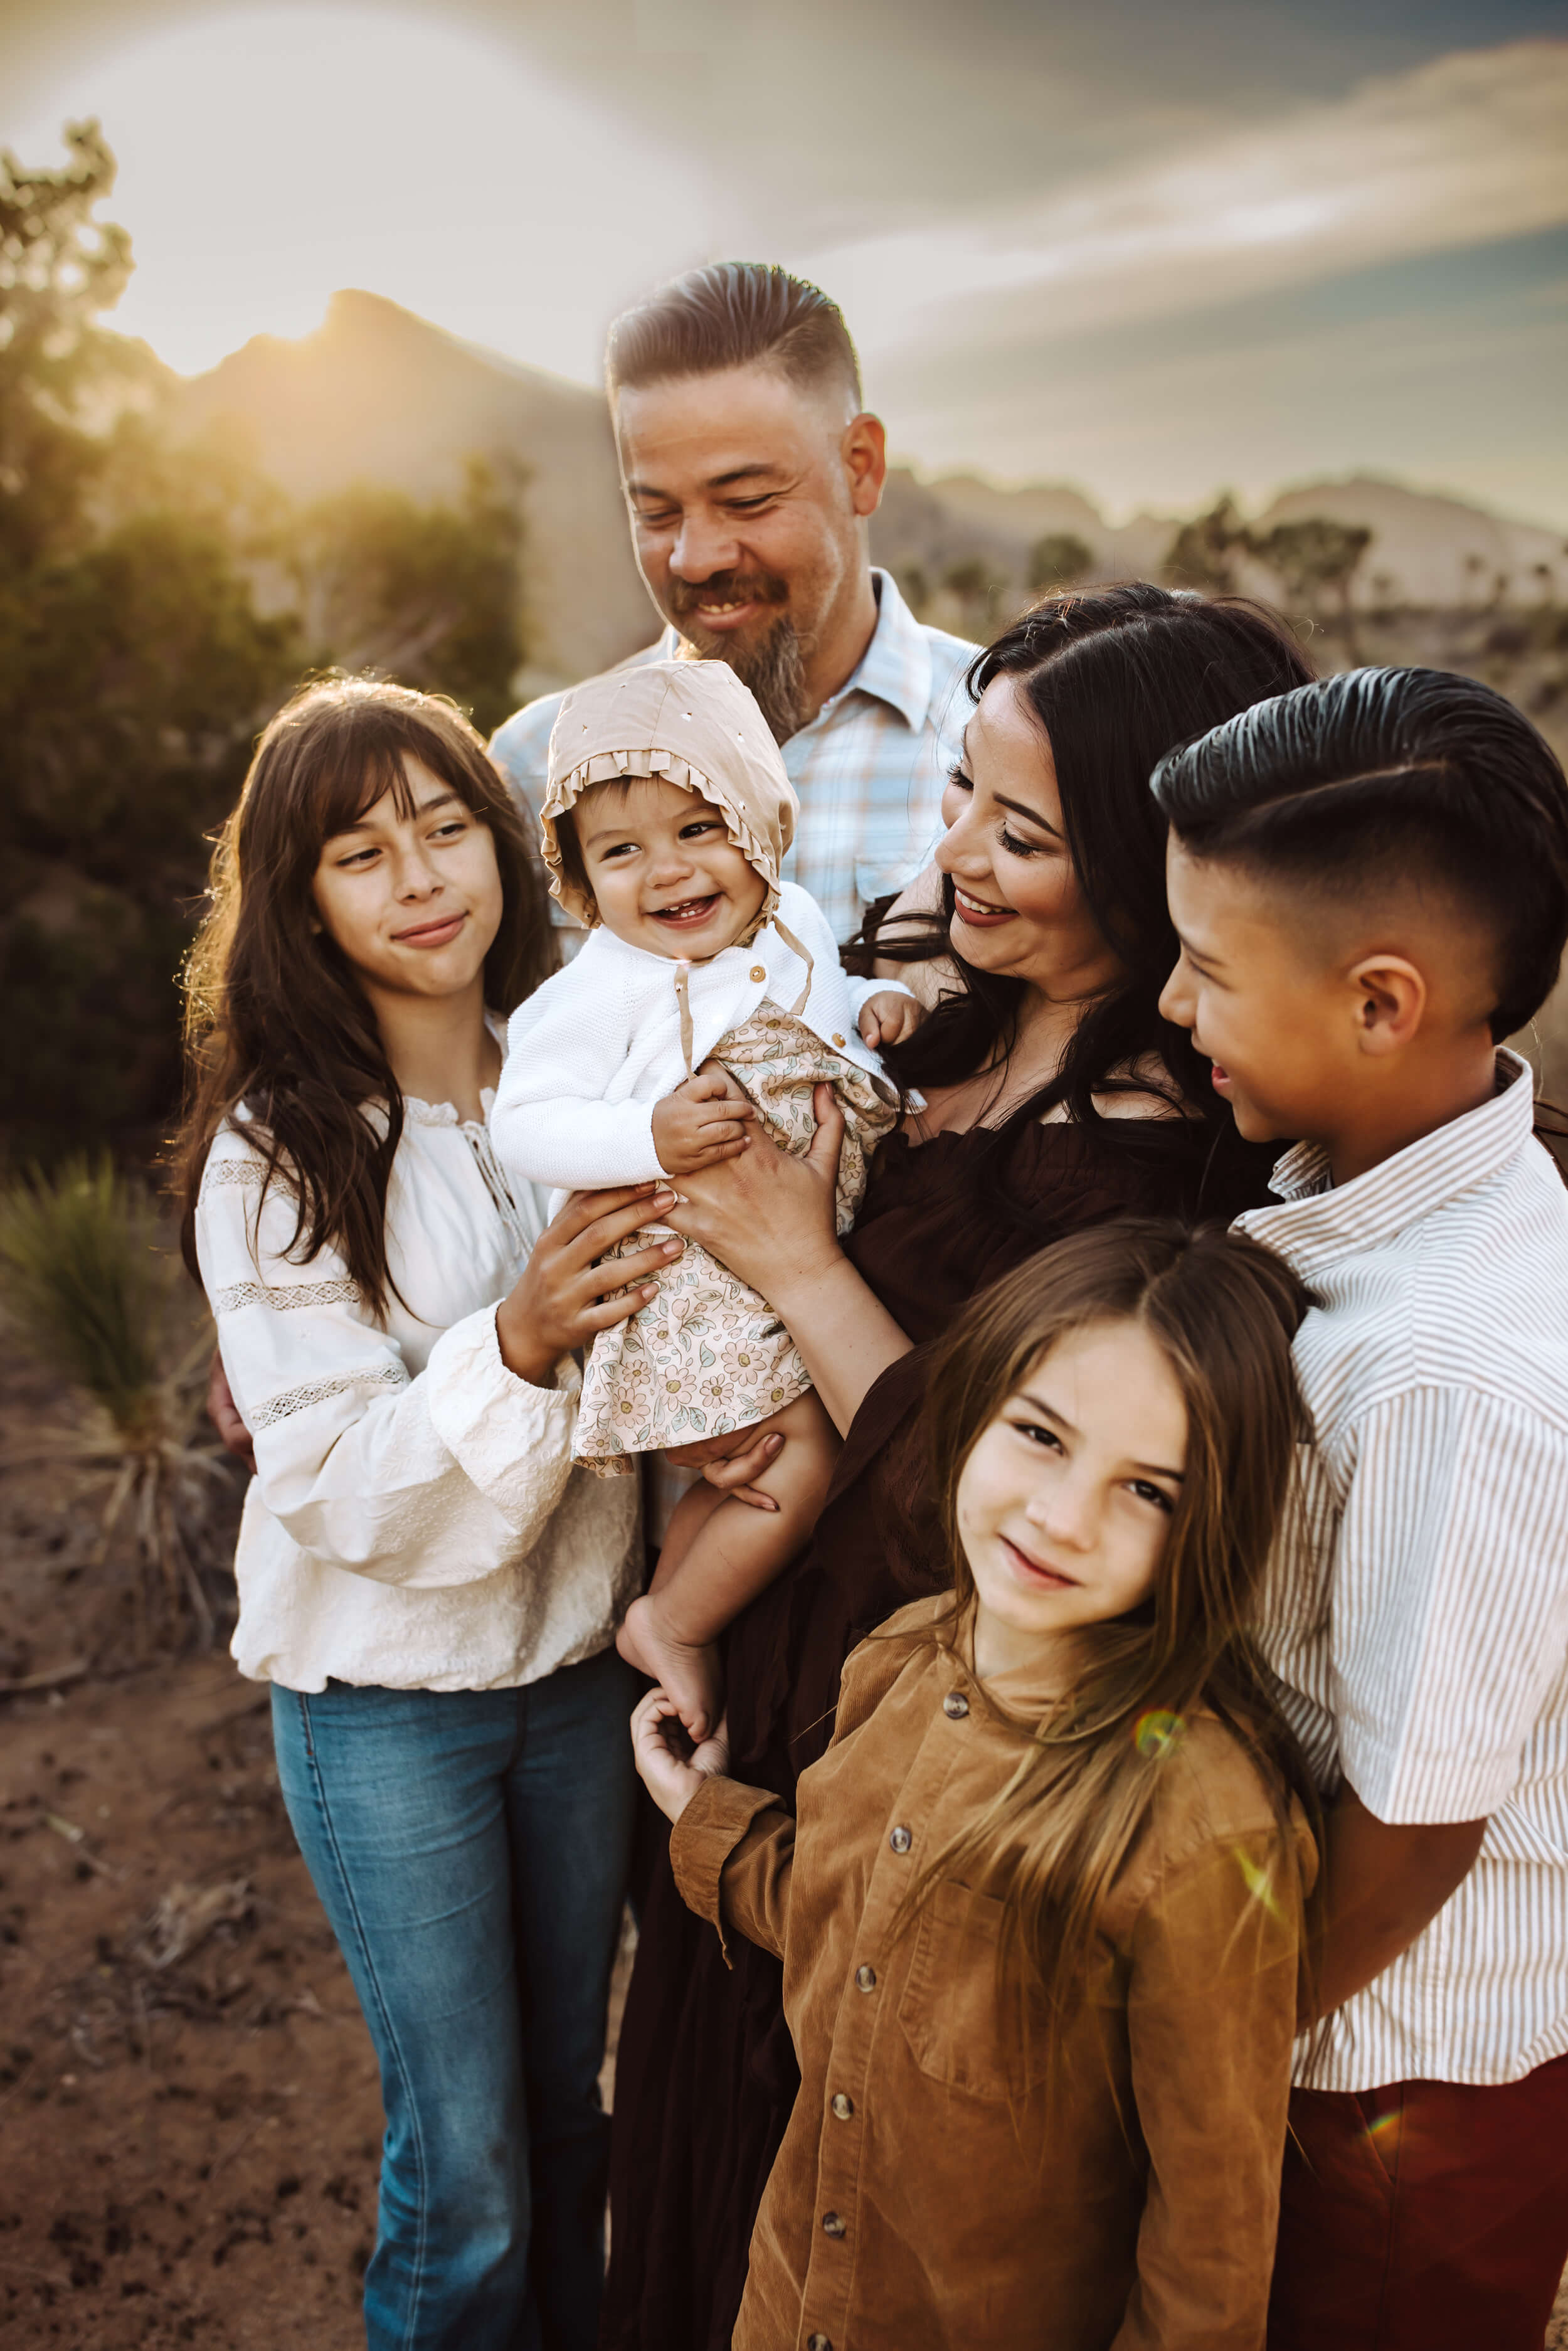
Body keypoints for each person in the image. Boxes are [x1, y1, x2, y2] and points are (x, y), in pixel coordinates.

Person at [601, 581, 1317, 2351]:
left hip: (942, 1713)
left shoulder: (1148, 1150)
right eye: (956, 803)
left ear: (1155, 868)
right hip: (797, 1679)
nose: (965, 857)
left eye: (1024, 831)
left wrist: (795, 1261)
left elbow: (990, 1482)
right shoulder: (951, 1018)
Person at [173, 677, 682, 2351]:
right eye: (358, 852)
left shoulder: (586, 1085)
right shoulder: (281, 1153)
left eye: (447, 824)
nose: (419, 876)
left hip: (579, 1679)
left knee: (568, 2103)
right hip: (388, 1705)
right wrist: (519, 1339)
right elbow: (331, 1484)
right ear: (299, 903)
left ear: (505, 840)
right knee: (460, 2162)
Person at [635, 1219, 1320, 2351]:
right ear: (973, 1409)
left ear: (1211, 1524)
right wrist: (701, 1818)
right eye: (1042, 1435)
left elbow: (1210, 2247)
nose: (1064, 1515)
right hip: (791, 2304)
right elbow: (844, 1915)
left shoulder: (1198, 1821)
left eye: (1147, 1490)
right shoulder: (899, 1656)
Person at [1152, 667, 1568, 2351]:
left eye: (1205, 967)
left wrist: (1214, 2044)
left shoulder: (1440, 1369)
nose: (1173, 1003)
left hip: (1394, 2076)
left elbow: (1415, 1818)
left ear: (1381, 1002)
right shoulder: (1391, 1208)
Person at [490, 661, 918, 1739]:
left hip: (778, 1256)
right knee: (800, 1461)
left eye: (698, 829)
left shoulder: (796, 923)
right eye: (620, 852)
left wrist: (872, 1002)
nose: (666, 872)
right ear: (581, 880)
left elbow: (816, 1002)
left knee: (739, 1473)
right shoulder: (602, 984)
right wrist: (648, 1134)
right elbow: (524, 1118)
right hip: (696, 1280)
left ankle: (670, 1608)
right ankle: (676, 1622)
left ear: (760, 821)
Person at [489, 262, 978, 951]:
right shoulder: (530, 768)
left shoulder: (1005, 743)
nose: (695, 557)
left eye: (746, 501)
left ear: (860, 467)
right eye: (655, 512)